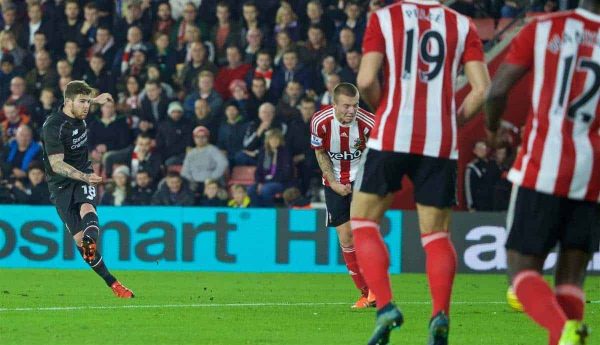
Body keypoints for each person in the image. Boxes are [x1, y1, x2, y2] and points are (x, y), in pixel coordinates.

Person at [353, 1, 490, 344]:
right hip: (440, 140)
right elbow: (483, 89)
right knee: (436, 236)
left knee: (364, 222)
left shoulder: (384, 18)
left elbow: (366, 79)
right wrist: (454, 121)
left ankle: (385, 306)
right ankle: (439, 315)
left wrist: (383, 108)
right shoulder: (462, 24)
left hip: (392, 134)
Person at [484, 1, 600, 343]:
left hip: (542, 166)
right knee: (571, 278)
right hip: (591, 174)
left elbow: (497, 90)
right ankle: (569, 331)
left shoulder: (544, 27)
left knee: (521, 272)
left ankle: (563, 328)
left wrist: (492, 128)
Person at [41, 80, 134, 298]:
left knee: (87, 209)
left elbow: (82, 101)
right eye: (82, 102)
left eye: (88, 103)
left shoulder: (79, 111)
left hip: (83, 173)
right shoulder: (53, 126)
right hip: (61, 183)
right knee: (80, 243)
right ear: (68, 102)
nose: (86, 107)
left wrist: (96, 99)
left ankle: (91, 241)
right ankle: (113, 283)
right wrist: (84, 176)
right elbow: (56, 164)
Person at [310, 82, 376, 309]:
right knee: (346, 237)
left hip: (363, 180)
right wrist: (335, 183)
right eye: (346, 106)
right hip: (334, 182)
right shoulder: (320, 122)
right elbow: (320, 152)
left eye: (355, 105)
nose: (351, 110)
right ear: (334, 104)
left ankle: (377, 287)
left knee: (364, 232)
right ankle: (365, 293)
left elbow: (379, 157)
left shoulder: (369, 124)